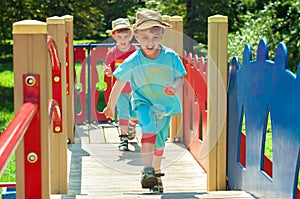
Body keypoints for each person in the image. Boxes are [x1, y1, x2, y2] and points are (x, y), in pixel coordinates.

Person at [103, 10, 187, 193]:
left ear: (162, 35)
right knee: (148, 128)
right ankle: (147, 170)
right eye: (145, 37)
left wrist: (174, 87)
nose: (150, 43)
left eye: (155, 37)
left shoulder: (170, 56)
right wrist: (110, 107)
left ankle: (156, 175)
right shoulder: (134, 59)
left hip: (164, 106)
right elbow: (119, 82)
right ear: (138, 36)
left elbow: (180, 77)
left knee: (159, 143)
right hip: (143, 101)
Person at [104, 18, 138, 151]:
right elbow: (112, 72)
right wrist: (109, 72)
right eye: (119, 37)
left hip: (135, 89)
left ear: (131, 35)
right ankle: (123, 138)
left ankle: (132, 124)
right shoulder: (112, 53)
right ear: (114, 36)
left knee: (135, 113)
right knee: (123, 113)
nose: (123, 40)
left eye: (126, 36)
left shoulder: (135, 50)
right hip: (121, 91)